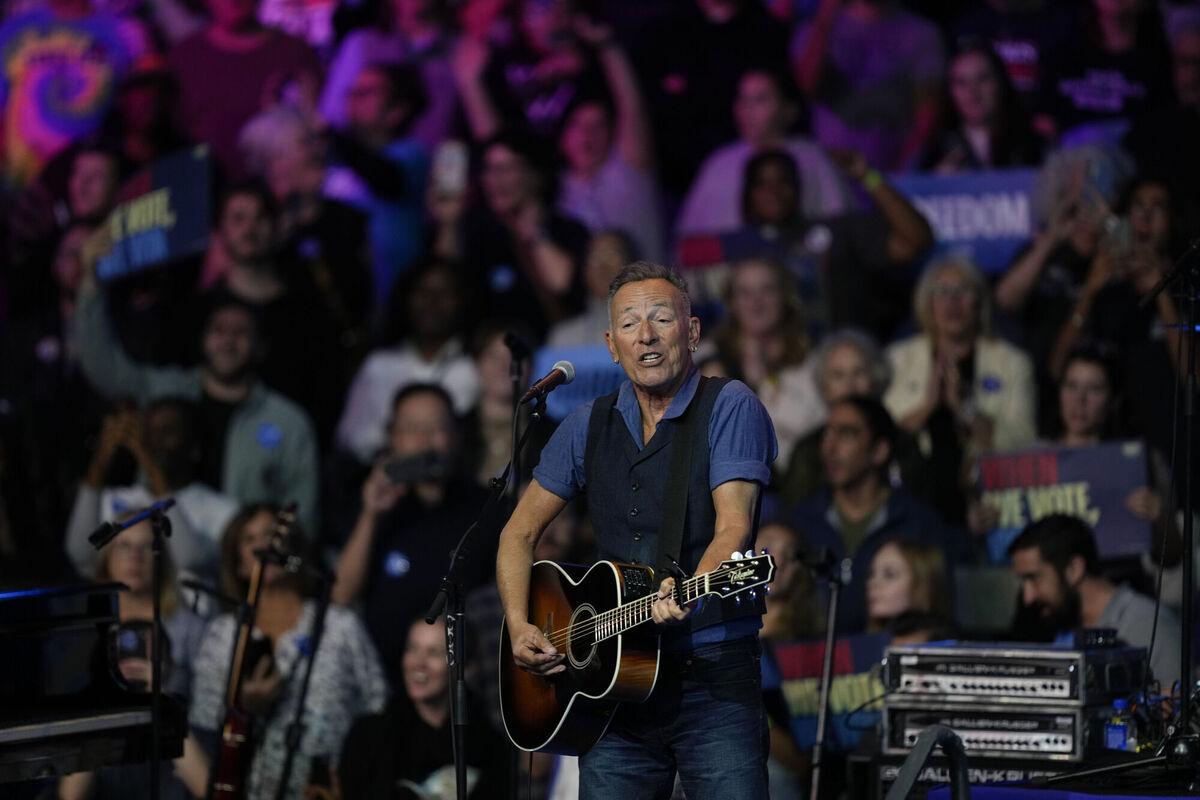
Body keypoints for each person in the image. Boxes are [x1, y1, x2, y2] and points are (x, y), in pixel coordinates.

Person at [497, 261, 778, 798]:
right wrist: (518, 624)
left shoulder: (730, 405)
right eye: (628, 323)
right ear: (610, 344)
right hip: (611, 680)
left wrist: (692, 588)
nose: (645, 335)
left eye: (660, 319)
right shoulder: (586, 422)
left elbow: (734, 528)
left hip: (712, 674)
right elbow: (517, 535)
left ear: (691, 332)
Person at [74, 242, 321, 533]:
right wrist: (91, 284)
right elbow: (105, 368)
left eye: (241, 333)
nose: (228, 341)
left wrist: (281, 572)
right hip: (159, 559)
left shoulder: (288, 423)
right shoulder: (164, 391)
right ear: (203, 340)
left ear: (260, 347)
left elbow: (303, 524)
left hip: (238, 570)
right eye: (219, 330)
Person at [190, 505, 389, 799]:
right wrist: (244, 709)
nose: (263, 545)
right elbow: (205, 727)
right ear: (239, 564)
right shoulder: (223, 635)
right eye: (249, 539)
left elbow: (378, 708)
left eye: (272, 534)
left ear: (294, 552)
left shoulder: (339, 625)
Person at [332, 383, 493, 685]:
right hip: (383, 680)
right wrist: (371, 514)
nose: (424, 439)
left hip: (464, 681)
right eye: (411, 428)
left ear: (456, 435)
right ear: (392, 438)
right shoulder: (374, 508)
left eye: (437, 427)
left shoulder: (489, 508)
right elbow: (341, 596)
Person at [57, 517, 210, 800]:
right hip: (100, 753)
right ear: (107, 558)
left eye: (145, 547)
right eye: (124, 546)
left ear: (160, 558)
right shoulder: (82, 625)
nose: (135, 557)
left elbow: (207, 719)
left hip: (172, 759)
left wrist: (161, 696)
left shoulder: (190, 627)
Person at [884, 255, 1036, 526]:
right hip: (914, 502)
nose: (952, 302)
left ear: (980, 300)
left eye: (963, 291)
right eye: (942, 291)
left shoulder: (1012, 363)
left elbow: (1022, 443)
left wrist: (965, 409)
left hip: (989, 505)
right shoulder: (897, 360)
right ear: (927, 302)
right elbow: (882, 438)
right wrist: (928, 406)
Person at [788, 395, 960, 634]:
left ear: (879, 451)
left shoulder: (918, 523)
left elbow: (939, 611)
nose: (829, 446)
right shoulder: (800, 523)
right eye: (827, 434)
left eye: (847, 434)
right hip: (813, 661)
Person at [1048, 177, 1189, 459]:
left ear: (1172, 221)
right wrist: (1089, 291)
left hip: (1174, 444)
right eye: (1137, 207)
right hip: (1111, 450)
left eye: (1157, 208)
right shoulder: (1107, 292)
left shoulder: (1187, 287)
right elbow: (1057, 368)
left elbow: (1193, 375)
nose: (1145, 217)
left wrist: (1161, 293)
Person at [430, 131, 589, 340]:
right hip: (488, 360)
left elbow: (563, 284)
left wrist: (534, 233)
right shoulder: (476, 231)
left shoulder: (567, 230)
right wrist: (448, 222)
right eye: (489, 169)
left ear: (536, 175)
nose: (495, 179)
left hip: (551, 359)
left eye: (506, 169)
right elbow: (445, 283)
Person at [64, 398, 240, 585]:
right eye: (148, 433)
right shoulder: (113, 499)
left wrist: (152, 469)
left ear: (195, 447)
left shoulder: (223, 510)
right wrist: (101, 457)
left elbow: (189, 561)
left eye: (167, 432)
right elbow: (80, 556)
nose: (154, 442)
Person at [337, 616, 510, 799]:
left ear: (465, 668)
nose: (418, 663)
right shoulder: (369, 736)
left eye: (434, 653)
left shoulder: (489, 745)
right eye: (412, 649)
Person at [675, 68, 853, 238]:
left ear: (789, 109)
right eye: (742, 99)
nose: (747, 109)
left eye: (760, 99)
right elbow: (689, 237)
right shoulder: (719, 164)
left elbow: (840, 223)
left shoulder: (812, 157)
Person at [1008, 514, 1181, 688]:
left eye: (1034, 578)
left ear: (1073, 569)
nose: (1027, 597)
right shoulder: (1057, 622)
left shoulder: (1149, 625)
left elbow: (1175, 707)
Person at [335, 260, 479, 465]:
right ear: (407, 297)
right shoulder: (379, 365)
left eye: (445, 293)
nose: (432, 301)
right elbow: (348, 440)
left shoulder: (474, 368)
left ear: (462, 301)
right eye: (423, 291)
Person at [776, 328, 927, 512]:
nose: (849, 384)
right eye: (838, 375)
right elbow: (794, 516)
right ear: (824, 386)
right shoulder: (808, 451)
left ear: (876, 379)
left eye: (859, 373)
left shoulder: (903, 444)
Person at [167, 0, 321, 179]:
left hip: (281, 188)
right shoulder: (183, 59)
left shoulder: (294, 53)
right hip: (205, 190)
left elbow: (314, 129)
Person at [555, 17, 664, 263]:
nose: (587, 135)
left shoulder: (629, 172)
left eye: (598, 126)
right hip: (588, 302)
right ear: (562, 139)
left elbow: (632, 107)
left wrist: (608, 46)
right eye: (578, 126)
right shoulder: (555, 192)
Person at [791, 0, 944, 171]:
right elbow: (806, 88)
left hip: (891, 176)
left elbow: (927, 116)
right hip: (829, 178)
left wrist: (902, 173)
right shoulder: (812, 29)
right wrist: (825, 16)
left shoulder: (920, 33)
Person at [701, 257, 816, 466]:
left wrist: (763, 381)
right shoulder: (710, 356)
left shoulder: (808, 358)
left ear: (784, 296)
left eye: (767, 290)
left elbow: (809, 427)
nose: (756, 302)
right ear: (732, 302)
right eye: (745, 293)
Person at [320, 0, 458, 153]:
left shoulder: (459, 49)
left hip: (434, 163)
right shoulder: (362, 43)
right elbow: (332, 115)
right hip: (366, 160)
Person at [920, 38, 1041, 173]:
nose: (972, 92)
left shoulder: (1034, 146)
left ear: (1000, 83)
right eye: (961, 82)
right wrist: (937, 185)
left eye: (983, 78)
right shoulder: (935, 152)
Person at [865, 538, 951, 645]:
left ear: (922, 583)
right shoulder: (859, 646)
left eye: (890, 575)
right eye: (871, 574)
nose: (873, 583)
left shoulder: (946, 647)